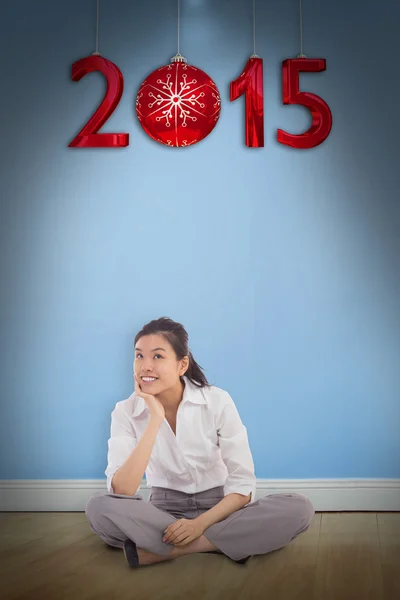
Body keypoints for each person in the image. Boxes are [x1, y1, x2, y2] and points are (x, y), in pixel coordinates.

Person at [85, 317, 315, 568]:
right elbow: (121, 492)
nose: (145, 366)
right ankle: (224, 543)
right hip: (162, 513)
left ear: (182, 365)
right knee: (99, 508)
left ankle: (169, 550)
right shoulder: (125, 411)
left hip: (219, 510)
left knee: (299, 508)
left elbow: (242, 484)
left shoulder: (217, 401)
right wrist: (155, 420)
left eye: (158, 357)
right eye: (139, 356)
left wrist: (199, 525)